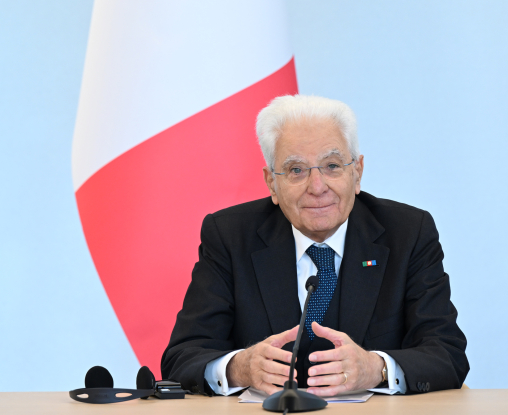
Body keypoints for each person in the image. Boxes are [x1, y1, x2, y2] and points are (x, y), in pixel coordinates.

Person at [161, 95, 468, 397]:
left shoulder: (407, 234)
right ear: (272, 183)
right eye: (296, 170)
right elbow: (182, 357)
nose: (317, 187)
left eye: (332, 165)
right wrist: (239, 367)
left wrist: (376, 368)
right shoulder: (230, 236)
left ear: (357, 172)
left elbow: (447, 354)